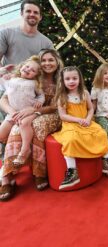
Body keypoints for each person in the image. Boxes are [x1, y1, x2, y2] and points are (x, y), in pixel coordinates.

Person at [0, 49, 63, 199]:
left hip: (51, 114)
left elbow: (56, 106)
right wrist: (13, 112)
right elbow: (4, 99)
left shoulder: (61, 79)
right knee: (16, 127)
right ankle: (8, 174)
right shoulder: (21, 79)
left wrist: (33, 110)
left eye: (51, 60)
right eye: (44, 60)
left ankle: (38, 172)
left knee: (35, 125)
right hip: (20, 113)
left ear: (57, 62)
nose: (47, 63)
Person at [52, 66, 108, 190]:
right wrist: (77, 120)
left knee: (101, 133)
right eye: (67, 79)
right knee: (70, 140)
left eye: (74, 78)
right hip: (71, 123)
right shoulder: (62, 97)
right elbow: (63, 115)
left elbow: (90, 108)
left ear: (79, 79)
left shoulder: (84, 93)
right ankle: (72, 171)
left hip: (86, 122)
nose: (71, 81)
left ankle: (107, 161)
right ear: (62, 81)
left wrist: (88, 119)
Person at [0, 55, 44, 200]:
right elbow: (4, 90)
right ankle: (8, 163)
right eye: (26, 66)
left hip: (26, 113)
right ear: (22, 65)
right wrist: (4, 70)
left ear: (36, 75)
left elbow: (41, 96)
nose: (28, 70)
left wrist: (39, 102)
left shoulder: (34, 84)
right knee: (1, 134)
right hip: (12, 114)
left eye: (32, 70)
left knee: (25, 126)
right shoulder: (11, 79)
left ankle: (25, 149)